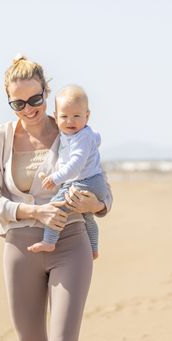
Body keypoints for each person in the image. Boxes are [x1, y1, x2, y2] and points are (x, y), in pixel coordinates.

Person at [0, 55, 113, 341]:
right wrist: (34, 211)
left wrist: (93, 205)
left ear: (46, 93)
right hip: (19, 249)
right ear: (9, 102)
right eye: (18, 103)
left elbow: (105, 195)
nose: (29, 109)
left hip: (71, 244)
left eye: (35, 98)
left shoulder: (73, 131)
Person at [27, 85, 110, 260]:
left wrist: (55, 178)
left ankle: (49, 241)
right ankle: (94, 248)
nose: (70, 121)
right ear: (56, 117)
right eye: (64, 117)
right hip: (95, 182)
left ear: (87, 116)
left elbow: (75, 165)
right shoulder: (80, 134)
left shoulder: (81, 137)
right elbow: (96, 139)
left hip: (86, 182)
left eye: (76, 116)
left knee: (56, 206)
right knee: (88, 217)